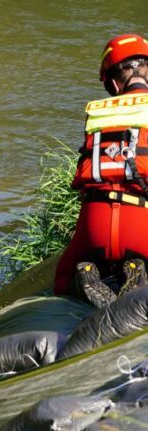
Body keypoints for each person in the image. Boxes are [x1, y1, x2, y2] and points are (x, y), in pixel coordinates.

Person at [54, 34, 148, 306]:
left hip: (93, 224)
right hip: (141, 223)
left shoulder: (98, 113)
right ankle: (136, 273)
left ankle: (86, 273)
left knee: (61, 279)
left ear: (114, 83)